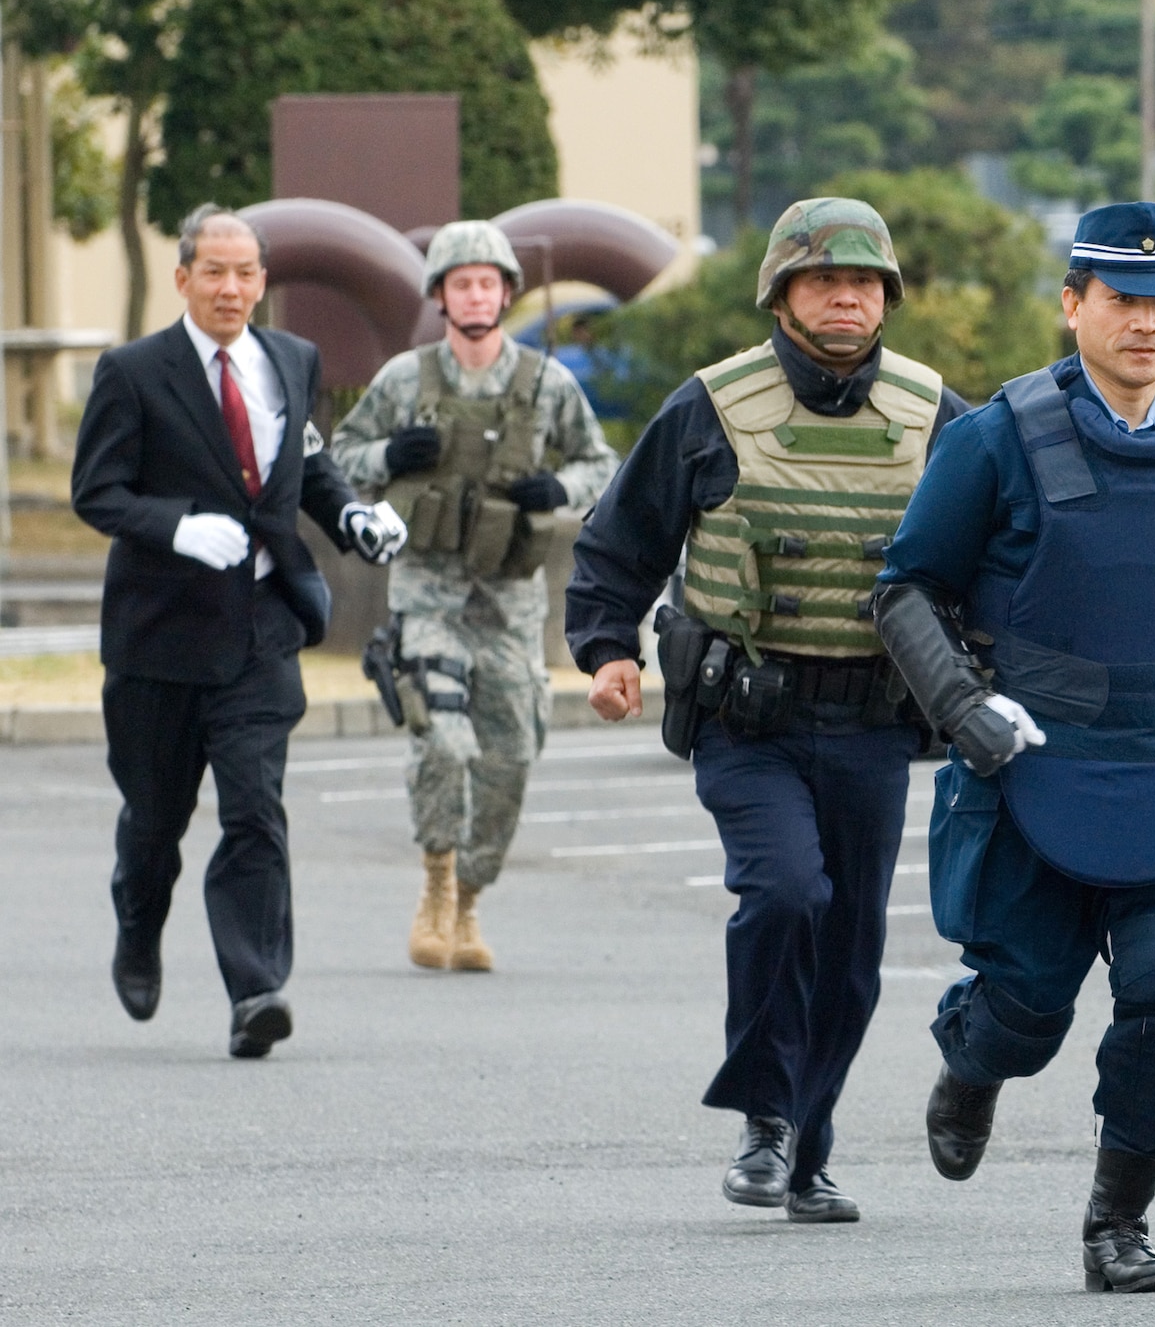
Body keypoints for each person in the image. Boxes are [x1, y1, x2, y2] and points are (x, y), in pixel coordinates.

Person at [873, 201, 1155, 1292]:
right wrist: (962, 708)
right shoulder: (997, 436)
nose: (1146, 321)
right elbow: (905, 591)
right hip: (1028, 769)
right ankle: (971, 1061)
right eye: (1122, 300)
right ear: (1072, 304)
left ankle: (1115, 1224)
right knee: (1025, 1013)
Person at [566, 197, 970, 1223]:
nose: (849, 295)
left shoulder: (935, 415)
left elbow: (999, 556)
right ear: (781, 295)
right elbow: (620, 543)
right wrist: (607, 649)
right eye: (824, 278)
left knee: (852, 956)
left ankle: (805, 1147)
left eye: (868, 280)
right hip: (749, 720)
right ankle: (762, 1121)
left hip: (875, 721)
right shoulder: (710, 406)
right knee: (788, 893)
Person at [72, 203, 407, 1058]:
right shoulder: (134, 371)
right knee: (155, 819)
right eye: (214, 271)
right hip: (160, 637)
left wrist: (354, 518)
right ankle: (139, 926)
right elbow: (97, 492)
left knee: (255, 808)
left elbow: (308, 462)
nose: (231, 287)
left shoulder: (290, 359)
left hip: (260, 624)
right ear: (183, 277)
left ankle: (255, 987)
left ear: (263, 279)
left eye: (246, 271)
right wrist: (175, 525)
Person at [331, 221, 618, 973]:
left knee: (512, 755)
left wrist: (561, 491)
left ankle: (469, 897)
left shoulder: (546, 383)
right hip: (427, 594)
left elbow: (602, 463)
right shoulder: (404, 379)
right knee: (445, 742)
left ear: (507, 294)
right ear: (441, 296)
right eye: (462, 283)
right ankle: (432, 887)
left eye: (489, 282)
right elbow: (339, 459)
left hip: (511, 603)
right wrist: (389, 455)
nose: (476, 294)